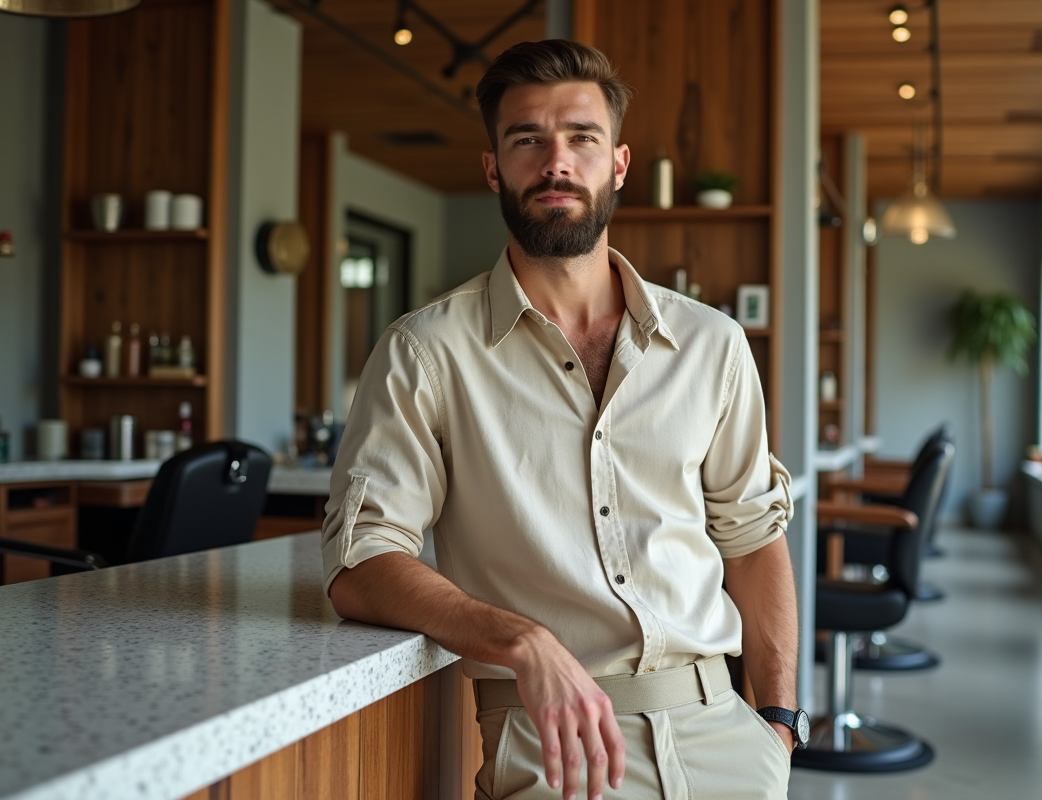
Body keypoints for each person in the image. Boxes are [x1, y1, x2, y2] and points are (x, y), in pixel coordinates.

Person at [322, 39, 802, 800]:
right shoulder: (425, 352)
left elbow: (751, 539)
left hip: (726, 736)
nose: (556, 161)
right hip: (551, 749)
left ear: (617, 164)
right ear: (493, 169)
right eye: (527, 140)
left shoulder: (713, 344)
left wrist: (776, 720)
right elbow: (360, 564)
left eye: (582, 138)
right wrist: (521, 640)